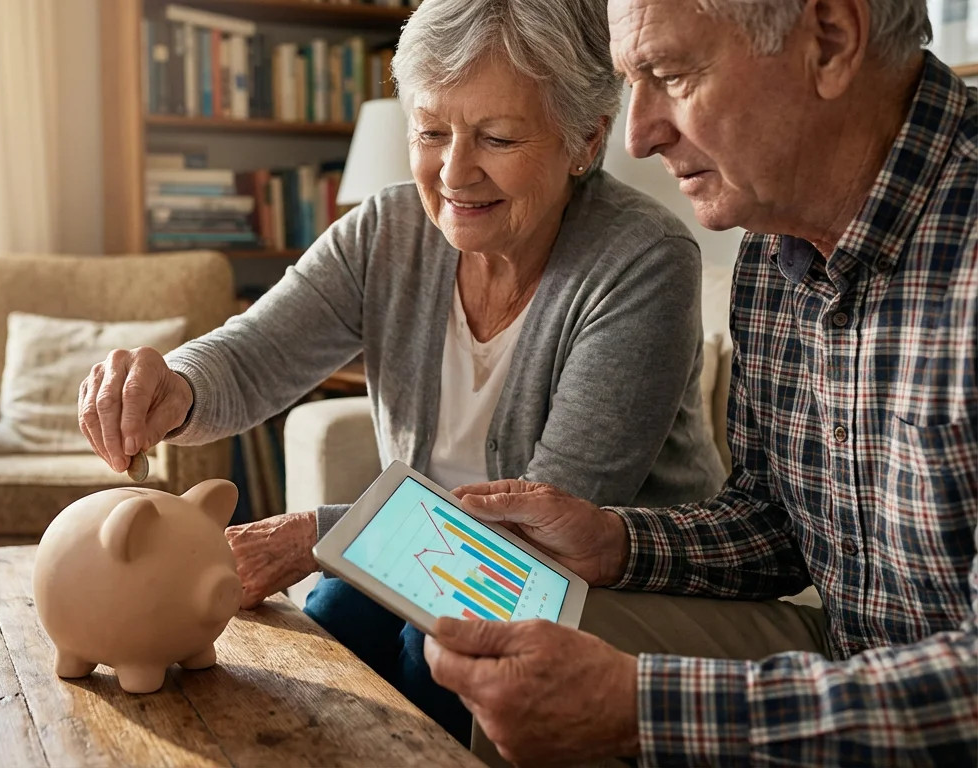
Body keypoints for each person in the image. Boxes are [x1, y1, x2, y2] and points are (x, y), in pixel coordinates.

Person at [78, 0, 726, 743]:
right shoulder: (384, 232)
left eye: (497, 137)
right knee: (329, 620)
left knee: (437, 641)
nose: (455, 172)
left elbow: (545, 522)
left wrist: (313, 533)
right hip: (416, 556)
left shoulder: (642, 262)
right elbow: (251, 355)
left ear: (585, 140)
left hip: (588, 574)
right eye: (430, 131)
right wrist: (173, 386)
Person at [422, 0, 978, 764]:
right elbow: (776, 524)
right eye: (630, 83)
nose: (636, 136)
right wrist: (613, 540)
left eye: (672, 75)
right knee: (517, 644)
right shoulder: (772, 246)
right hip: (845, 650)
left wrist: (640, 710)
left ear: (831, 41)